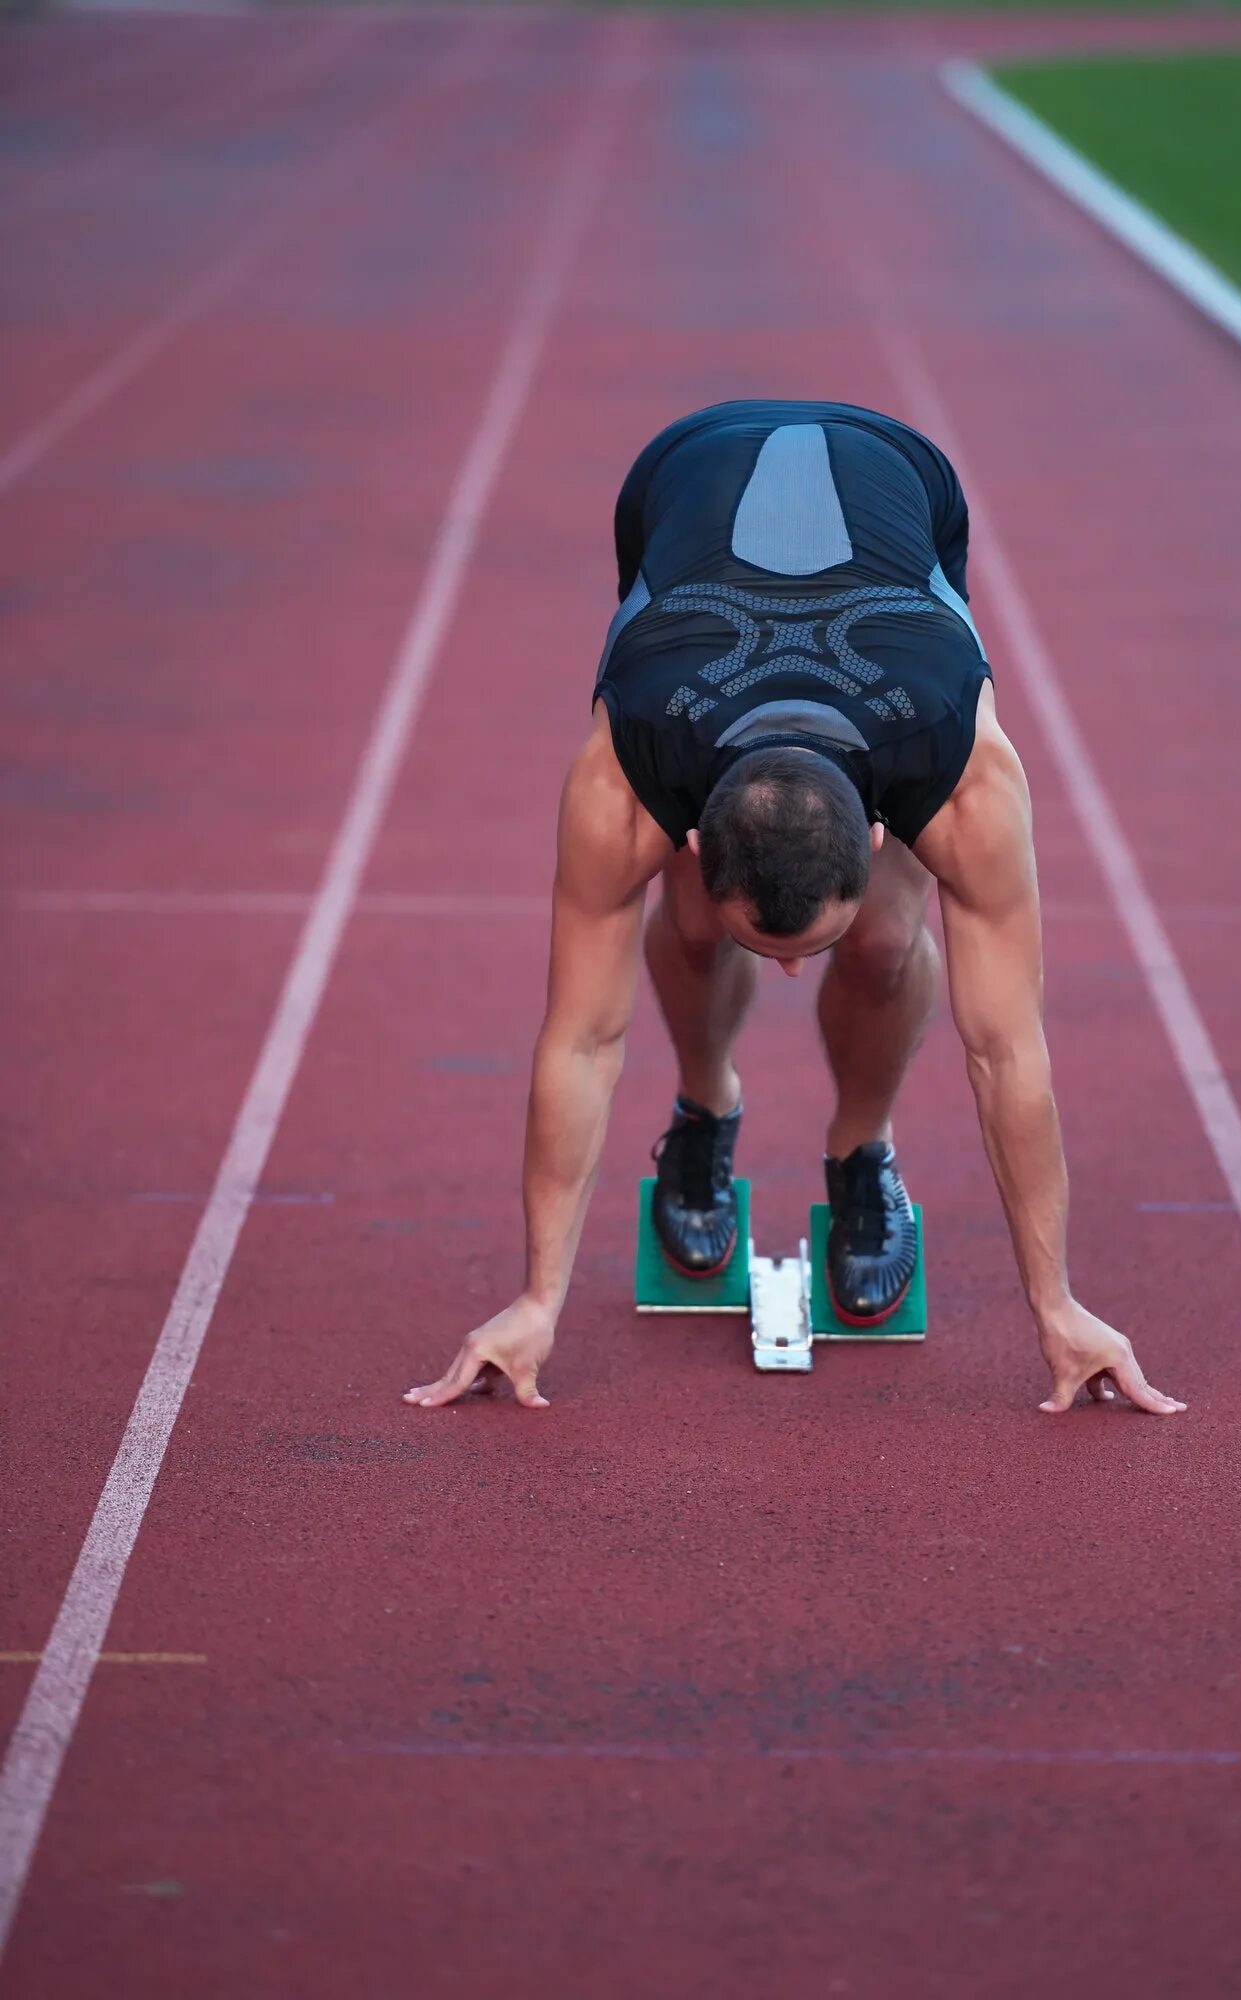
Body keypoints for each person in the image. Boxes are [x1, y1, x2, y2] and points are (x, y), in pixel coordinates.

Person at [404, 400, 1185, 1418]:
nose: (784, 972)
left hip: (901, 488)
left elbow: (1006, 1049)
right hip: (674, 486)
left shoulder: (959, 768)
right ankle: (703, 1109)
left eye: (797, 947)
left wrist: (1059, 1305)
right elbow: (582, 1037)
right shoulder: (626, 776)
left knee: (888, 939)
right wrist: (535, 1299)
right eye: (763, 945)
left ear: (879, 834)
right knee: (685, 929)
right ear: (684, 838)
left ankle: (863, 1152)